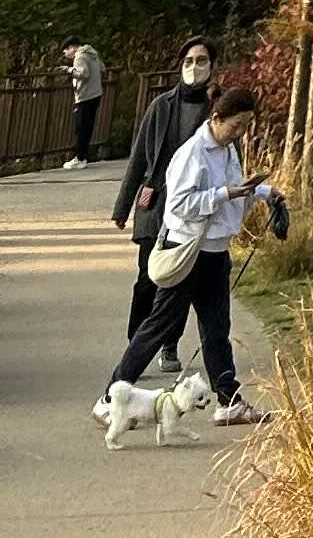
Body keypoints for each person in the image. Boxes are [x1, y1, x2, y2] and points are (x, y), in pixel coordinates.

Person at [93, 82, 271, 427]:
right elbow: (178, 205)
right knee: (158, 326)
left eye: (246, 127)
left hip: (216, 252)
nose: (239, 133)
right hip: (187, 251)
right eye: (236, 126)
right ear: (216, 118)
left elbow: (235, 191)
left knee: (217, 328)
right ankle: (109, 398)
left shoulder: (229, 150)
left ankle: (229, 400)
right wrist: (223, 194)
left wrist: (263, 192)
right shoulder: (192, 152)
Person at [111, 38, 219, 368]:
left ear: (212, 66)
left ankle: (169, 345)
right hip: (155, 204)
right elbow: (139, 157)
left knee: (177, 279)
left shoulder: (216, 110)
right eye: (188, 61)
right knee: (147, 279)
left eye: (201, 61)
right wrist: (122, 206)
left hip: (190, 208)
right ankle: (136, 345)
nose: (194, 67)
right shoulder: (161, 106)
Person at [61, 36, 105, 166]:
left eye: (65, 51)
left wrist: (68, 70)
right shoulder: (92, 53)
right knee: (88, 126)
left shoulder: (80, 56)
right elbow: (102, 68)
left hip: (85, 96)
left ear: (71, 47)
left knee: (80, 127)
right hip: (96, 94)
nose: (66, 54)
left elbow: (83, 73)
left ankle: (79, 158)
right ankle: (82, 157)